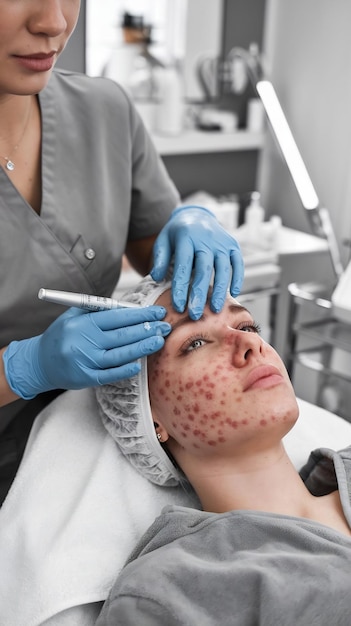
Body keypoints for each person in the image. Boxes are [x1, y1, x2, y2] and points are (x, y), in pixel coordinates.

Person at [0, 0, 243, 504]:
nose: (54, 22)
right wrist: (22, 368)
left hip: (92, 440)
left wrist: (189, 224)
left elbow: (159, 252)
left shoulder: (104, 109)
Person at [95, 274, 351, 626]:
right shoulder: (173, 591)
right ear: (149, 416)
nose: (249, 343)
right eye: (195, 343)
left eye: (248, 324)